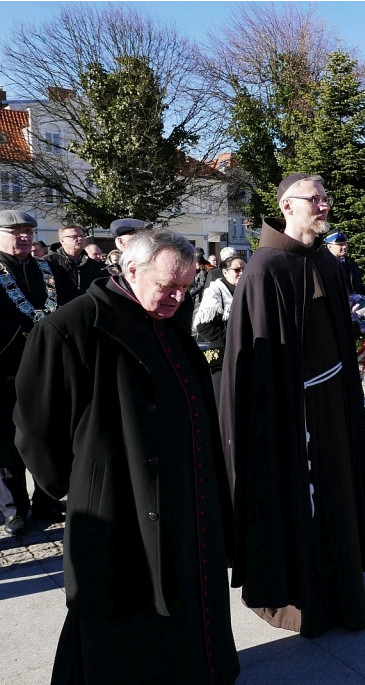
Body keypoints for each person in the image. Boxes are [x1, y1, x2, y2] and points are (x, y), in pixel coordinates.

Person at [14, 229, 240, 683]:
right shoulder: (69, 328)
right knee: (123, 614)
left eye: (185, 286)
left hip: (186, 500)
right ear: (130, 270)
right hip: (118, 503)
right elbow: (36, 432)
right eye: (167, 286)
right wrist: (86, 483)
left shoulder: (169, 319)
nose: (178, 296)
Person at [219, 172, 365, 637]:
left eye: (326, 197)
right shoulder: (264, 269)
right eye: (316, 198)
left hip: (333, 410)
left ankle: (341, 594)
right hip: (292, 420)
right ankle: (304, 600)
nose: (325, 205)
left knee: (337, 500)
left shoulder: (328, 263)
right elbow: (253, 367)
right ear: (288, 207)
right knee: (302, 507)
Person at [0, 210, 75, 536]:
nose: (24, 236)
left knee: (49, 436)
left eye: (28, 230)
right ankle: (14, 509)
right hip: (7, 372)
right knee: (8, 445)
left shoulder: (50, 268)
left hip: (49, 371)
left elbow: (70, 309)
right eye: (15, 231)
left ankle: (47, 499)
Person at [193, 255, 246, 406]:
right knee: (224, 401)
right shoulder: (215, 291)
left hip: (245, 354)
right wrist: (232, 339)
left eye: (244, 269)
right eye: (237, 270)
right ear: (225, 272)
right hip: (222, 357)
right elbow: (203, 326)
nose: (241, 272)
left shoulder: (247, 289)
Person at [44, 223, 105, 297]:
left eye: (82, 236)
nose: (80, 239)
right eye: (74, 236)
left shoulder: (92, 264)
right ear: (62, 240)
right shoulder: (48, 262)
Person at [325, 229, 363, 295]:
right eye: (340, 244)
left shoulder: (352, 264)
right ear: (329, 246)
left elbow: (360, 288)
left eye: (345, 243)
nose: (344, 246)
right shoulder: (325, 266)